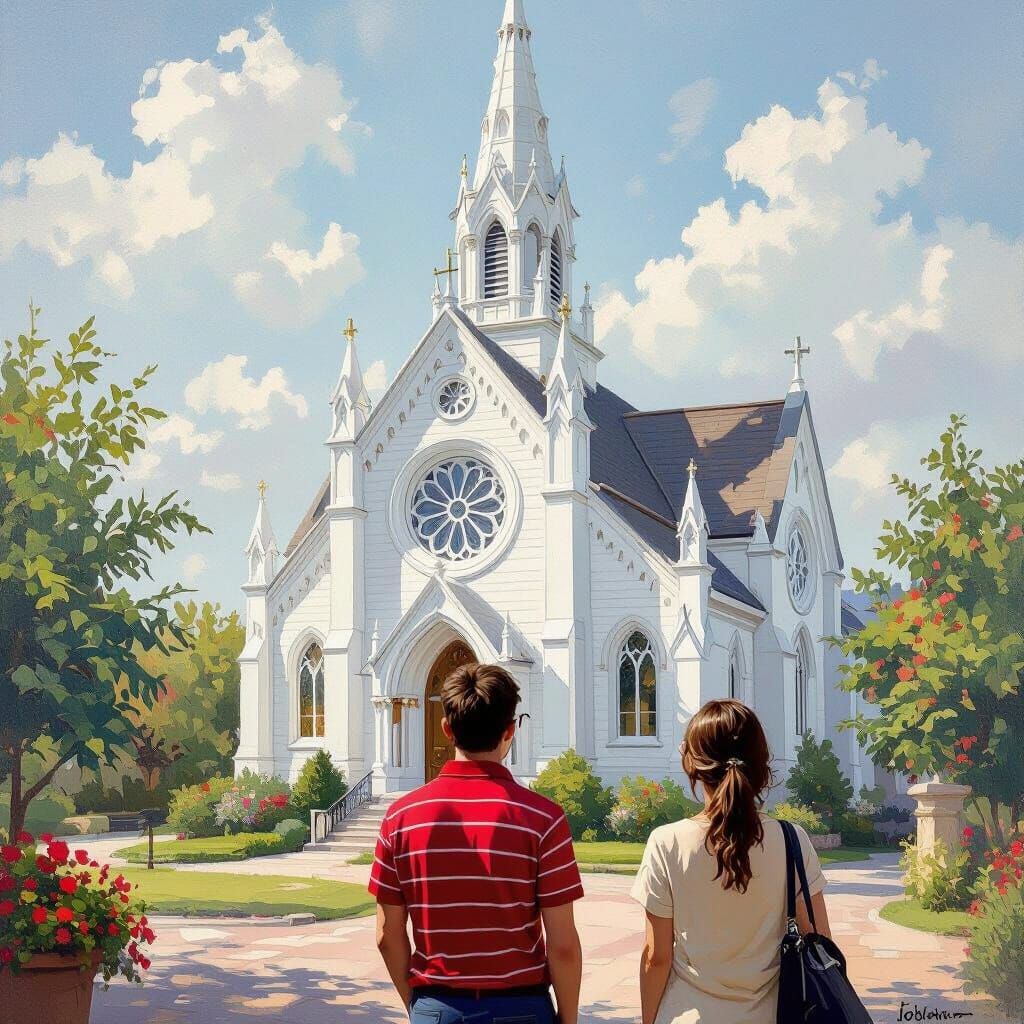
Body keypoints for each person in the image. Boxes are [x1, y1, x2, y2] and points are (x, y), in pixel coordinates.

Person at [369, 661, 584, 1024]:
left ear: (446, 728)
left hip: (438, 1005)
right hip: (521, 1008)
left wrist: (418, 1006)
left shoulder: (400, 818)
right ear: (510, 730)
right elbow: (562, 945)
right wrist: (569, 1019)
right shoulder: (543, 819)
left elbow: (387, 936)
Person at [631, 699, 832, 1024]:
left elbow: (657, 957)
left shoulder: (666, 843)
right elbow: (820, 940)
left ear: (691, 763)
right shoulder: (791, 840)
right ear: (761, 763)